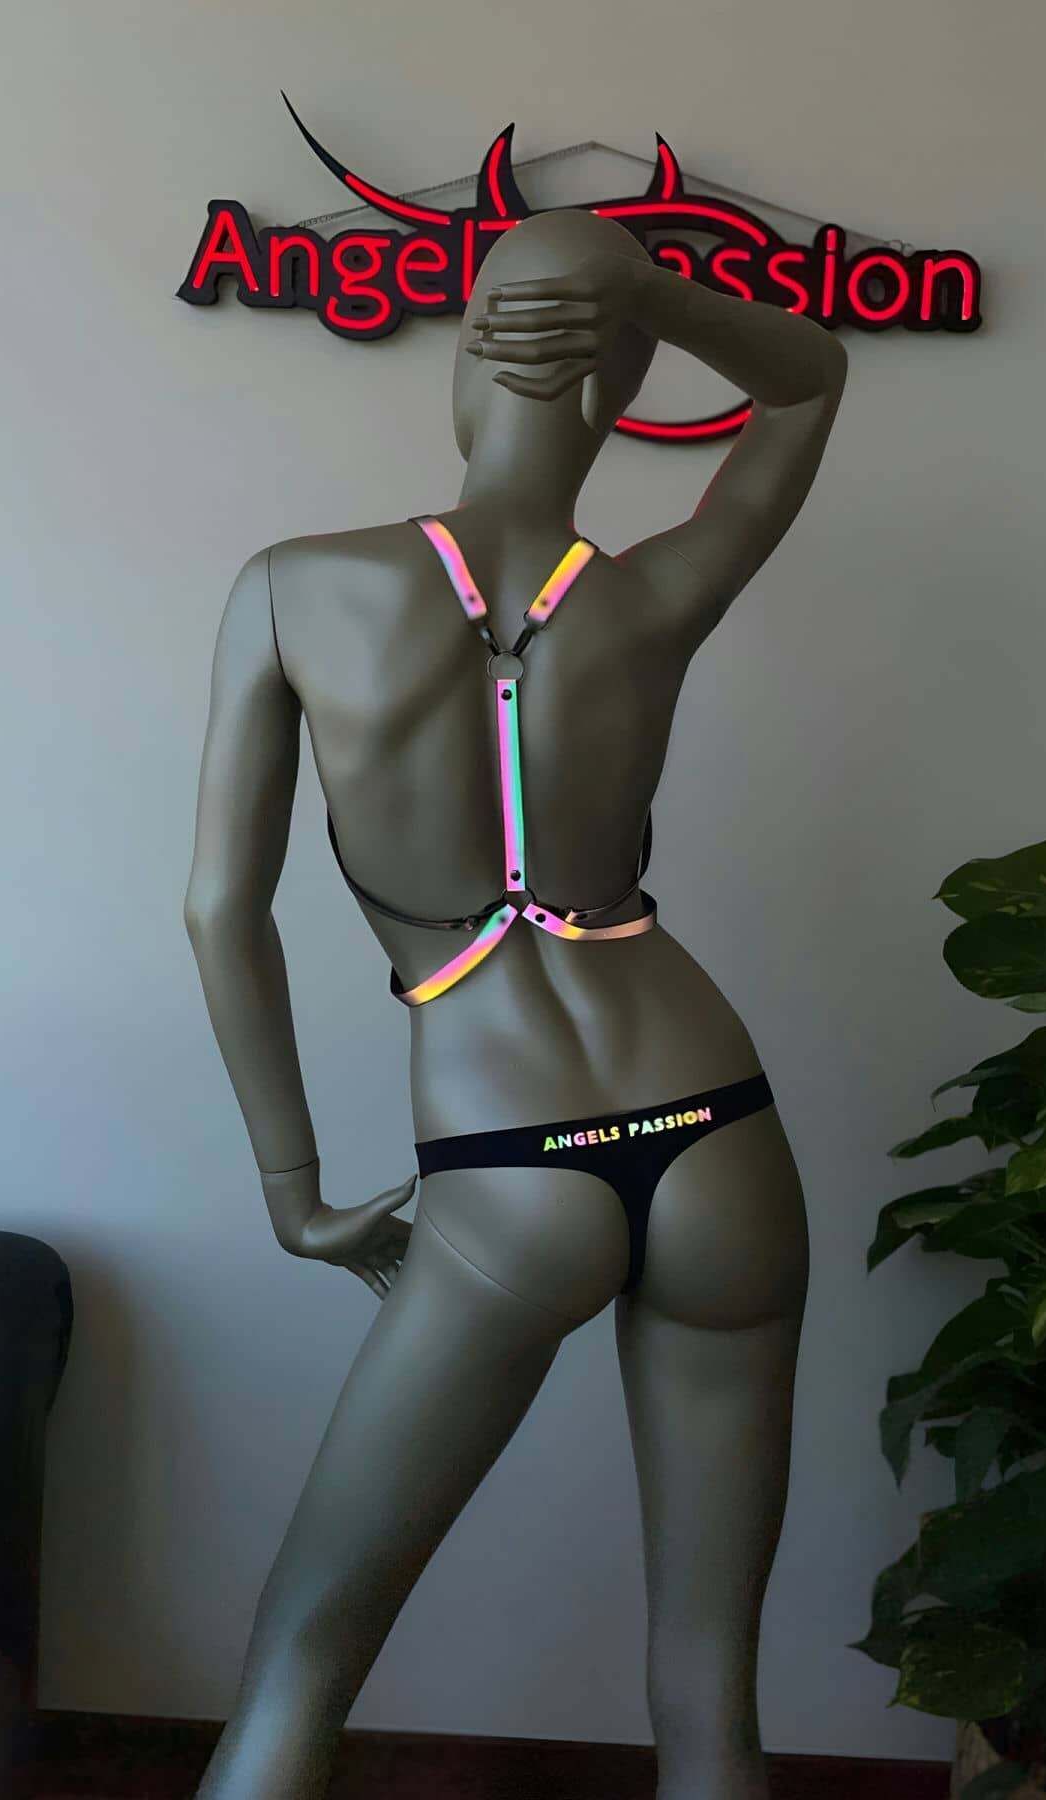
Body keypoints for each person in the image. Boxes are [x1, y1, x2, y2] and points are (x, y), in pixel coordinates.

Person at [184, 204, 847, 1800]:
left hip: (507, 1158)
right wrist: (648, 285)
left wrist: (296, 1192)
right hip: (719, 1131)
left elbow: (221, 910)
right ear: (615, 391)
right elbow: (809, 380)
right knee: (709, 1697)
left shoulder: (290, 588)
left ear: (472, 365)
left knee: (303, 1658)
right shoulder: (654, 593)